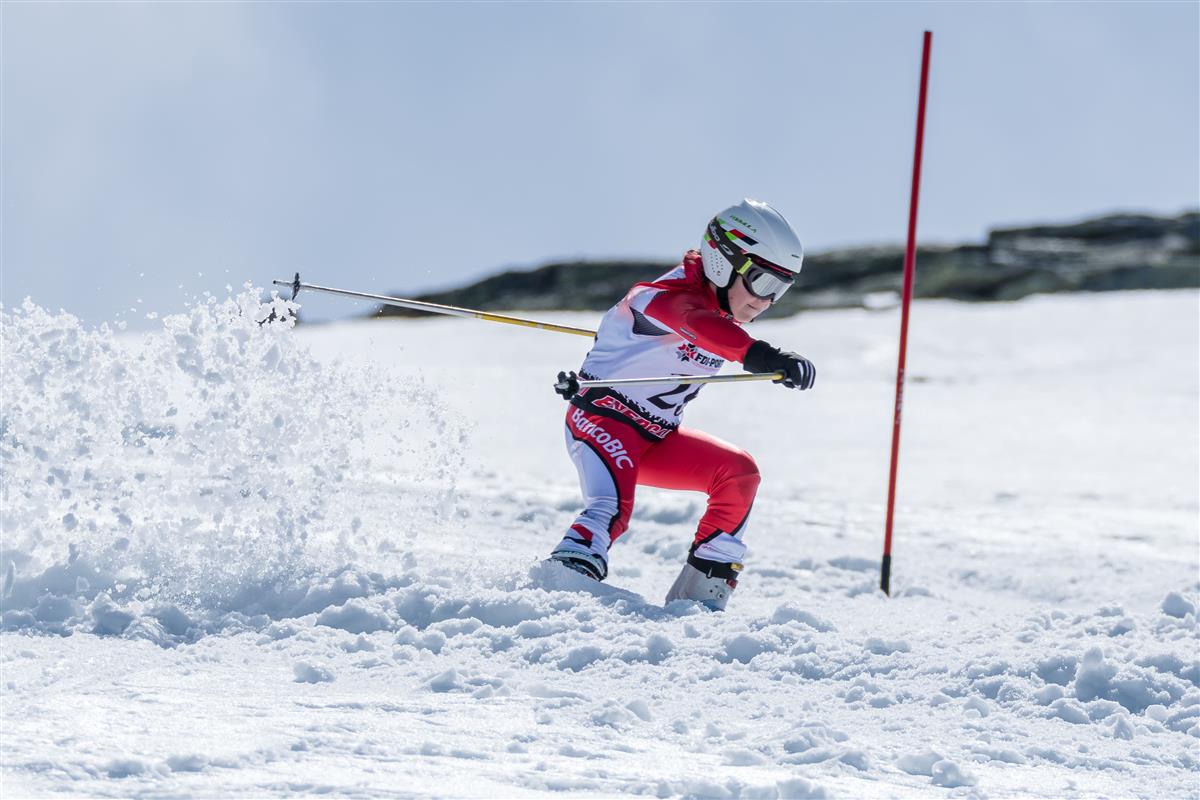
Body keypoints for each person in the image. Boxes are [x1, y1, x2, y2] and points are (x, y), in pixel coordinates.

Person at [548, 199, 816, 611]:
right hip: (603, 421)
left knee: (738, 474)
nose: (765, 301)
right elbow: (696, 322)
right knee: (611, 507)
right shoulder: (662, 296)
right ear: (725, 261)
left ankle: (700, 597)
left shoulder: (719, 314)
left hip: (656, 437)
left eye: (779, 290)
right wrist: (765, 356)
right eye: (762, 282)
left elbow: (713, 328)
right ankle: (559, 588)